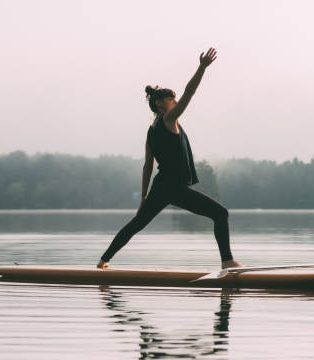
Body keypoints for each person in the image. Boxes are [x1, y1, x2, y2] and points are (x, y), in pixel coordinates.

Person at [97, 47, 242, 270]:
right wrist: (202, 68)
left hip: (162, 187)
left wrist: (144, 197)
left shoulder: (151, 129)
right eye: (171, 99)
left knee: (137, 224)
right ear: (160, 104)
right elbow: (189, 93)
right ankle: (227, 262)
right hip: (173, 187)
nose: (175, 102)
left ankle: (103, 261)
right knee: (220, 214)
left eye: (174, 99)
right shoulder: (169, 120)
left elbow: (148, 166)